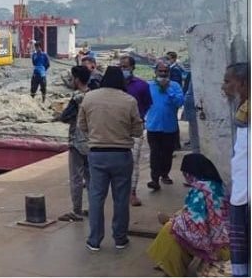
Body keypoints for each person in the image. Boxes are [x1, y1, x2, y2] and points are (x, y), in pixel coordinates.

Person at [78, 66, 144, 251]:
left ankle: (94, 240)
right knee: (121, 198)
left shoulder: (89, 98)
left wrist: (97, 133)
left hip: (97, 154)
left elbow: (81, 125)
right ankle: (120, 238)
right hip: (121, 155)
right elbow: (138, 130)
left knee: (96, 197)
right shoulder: (129, 101)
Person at [147, 154, 230, 276]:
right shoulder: (217, 185)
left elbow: (197, 231)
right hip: (229, 239)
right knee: (177, 219)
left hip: (219, 247)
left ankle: (171, 269)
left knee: (169, 231)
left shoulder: (199, 191)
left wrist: (173, 221)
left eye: (185, 174)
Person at [222, 62, 250, 277]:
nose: (224, 86)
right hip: (242, 189)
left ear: (241, 83)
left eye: (227, 81)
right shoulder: (244, 108)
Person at [57, 65, 92, 222]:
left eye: (72, 78)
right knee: (91, 177)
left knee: (76, 177)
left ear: (77, 79)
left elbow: (65, 117)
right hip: (92, 141)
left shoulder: (77, 97)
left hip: (77, 141)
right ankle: (93, 208)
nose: (71, 81)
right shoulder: (93, 95)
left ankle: (76, 210)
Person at [145, 61, 185, 191]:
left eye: (165, 71)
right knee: (155, 153)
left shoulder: (175, 86)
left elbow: (179, 102)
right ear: (155, 72)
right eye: (160, 71)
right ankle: (154, 179)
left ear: (169, 73)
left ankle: (165, 174)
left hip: (170, 126)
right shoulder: (149, 86)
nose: (163, 74)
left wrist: (168, 89)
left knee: (167, 153)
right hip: (153, 126)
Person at [120, 55, 153, 207]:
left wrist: (139, 118)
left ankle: (132, 193)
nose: (123, 69)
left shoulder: (142, 85)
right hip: (117, 128)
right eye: (121, 66)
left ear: (132, 67)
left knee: (133, 161)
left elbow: (147, 104)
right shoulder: (116, 85)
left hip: (135, 128)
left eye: (125, 66)